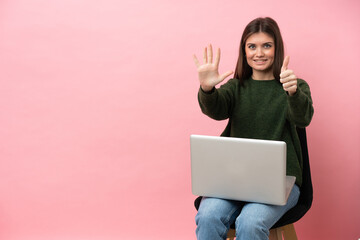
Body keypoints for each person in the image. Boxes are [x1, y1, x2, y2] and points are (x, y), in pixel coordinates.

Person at [192, 17, 314, 240]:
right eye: (252, 46)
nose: (259, 53)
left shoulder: (293, 85)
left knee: (250, 222)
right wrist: (207, 88)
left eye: (266, 45)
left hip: (281, 183)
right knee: (208, 216)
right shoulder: (236, 88)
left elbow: (303, 118)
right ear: (244, 51)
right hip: (233, 181)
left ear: (276, 49)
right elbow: (216, 109)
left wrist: (293, 93)